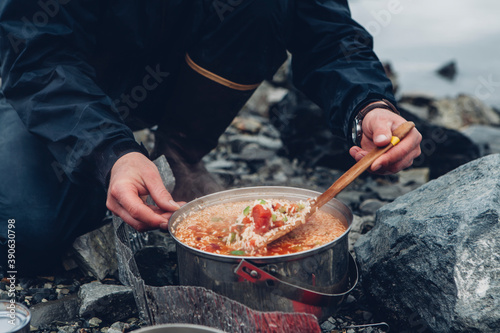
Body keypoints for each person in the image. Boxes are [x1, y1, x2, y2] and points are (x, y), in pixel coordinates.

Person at [0, 0, 421, 274]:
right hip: (64, 85)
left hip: (177, 77)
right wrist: (110, 153)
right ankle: (119, 161)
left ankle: (178, 153)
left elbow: (327, 34)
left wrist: (369, 106)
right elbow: (36, 56)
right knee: (27, 234)